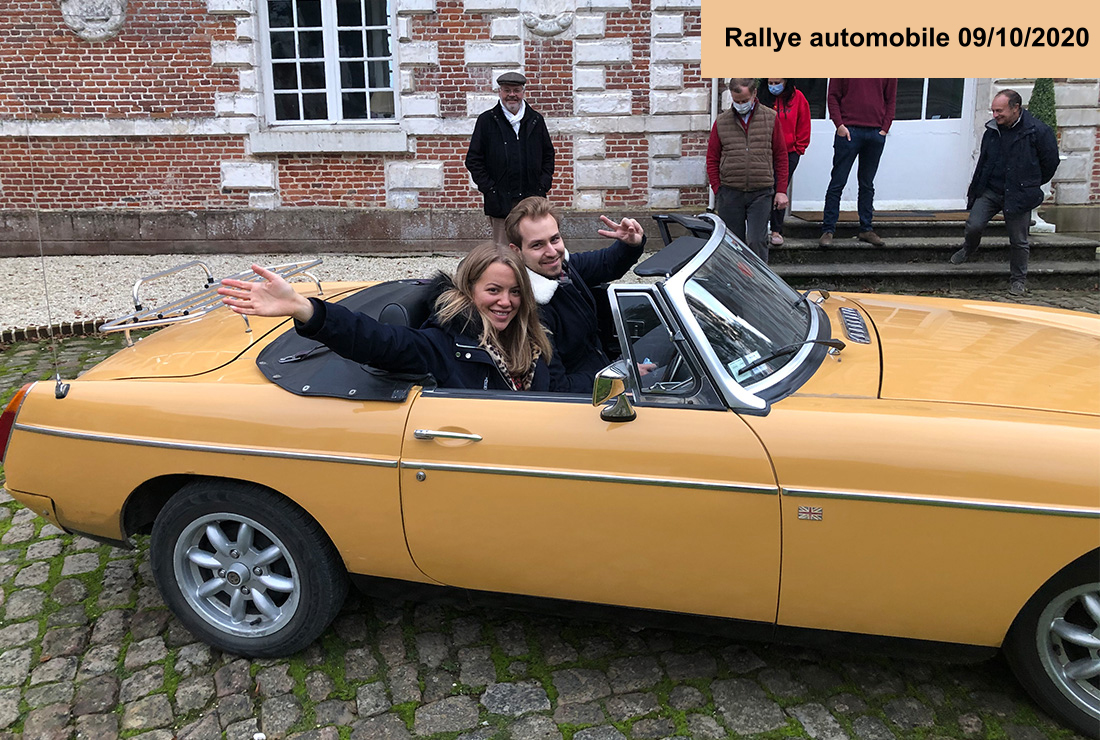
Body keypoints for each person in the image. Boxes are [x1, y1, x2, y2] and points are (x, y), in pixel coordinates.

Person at [217, 243, 553, 392]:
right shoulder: (441, 344)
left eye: (515, 292)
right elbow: (377, 341)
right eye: (493, 290)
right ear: (468, 289)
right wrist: (306, 309)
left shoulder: (531, 339)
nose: (506, 302)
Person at [505, 196, 651, 393]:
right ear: (517, 251)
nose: (552, 252)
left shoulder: (564, 268)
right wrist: (618, 378)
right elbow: (556, 386)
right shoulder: (531, 310)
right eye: (537, 245)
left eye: (554, 239)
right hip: (590, 398)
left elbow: (606, 263)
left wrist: (631, 243)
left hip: (605, 367)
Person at [950, 90, 1060, 296]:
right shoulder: (992, 131)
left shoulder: (1039, 131)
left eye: (999, 110)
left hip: (1019, 193)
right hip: (991, 190)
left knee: (1019, 240)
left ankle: (1018, 280)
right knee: (974, 225)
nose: (995, 115)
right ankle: (968, 248)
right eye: (993, 110)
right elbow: (983, 161)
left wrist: (1030, 184)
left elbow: (1050, 163)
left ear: (1015, 108)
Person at [465, 72, 555, 246]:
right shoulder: (487, 121)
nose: (512, 95)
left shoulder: (536, 120)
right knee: (503, 251)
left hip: (533, 199)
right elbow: (473, 159)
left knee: (534, 246)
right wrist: (489, 188)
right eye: (507, 90)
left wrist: (543, 183)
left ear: (523, 92)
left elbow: (548, 155)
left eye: (516, 90)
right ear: (500, 92)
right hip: (501, 200)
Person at [706, 78, 789, 262]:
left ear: (754, 94)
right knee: (732, 244)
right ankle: (733, 284)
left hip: (761, 192)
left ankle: (760, 286)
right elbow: (712, 158)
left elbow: (781, 156)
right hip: (730, 192)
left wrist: (781, 191)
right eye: (737, 101)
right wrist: (717, 189)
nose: (741, 105)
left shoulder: (770, 118)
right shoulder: (722, 122)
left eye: (744, 101)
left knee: (757, 240)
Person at [819, 78, 897, 248]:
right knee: (838, 182)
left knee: (867, 184)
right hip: (849, 131)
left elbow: (890, 99)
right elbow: (832, 96)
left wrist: (884, 128)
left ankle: (866, 228)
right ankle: (828, 229)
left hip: (875, 133)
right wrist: (839, 124)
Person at [757, 79, 811, 247]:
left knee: (780, 189)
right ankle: (759, 228)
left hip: (788, 153)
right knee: (763, 188)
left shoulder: (798, 98)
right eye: (771, 82)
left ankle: (776, 229)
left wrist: (799, 148)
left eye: (777, 82)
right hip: (765, 151)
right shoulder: (760, 97)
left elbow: (804, 124)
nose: (774, 86)